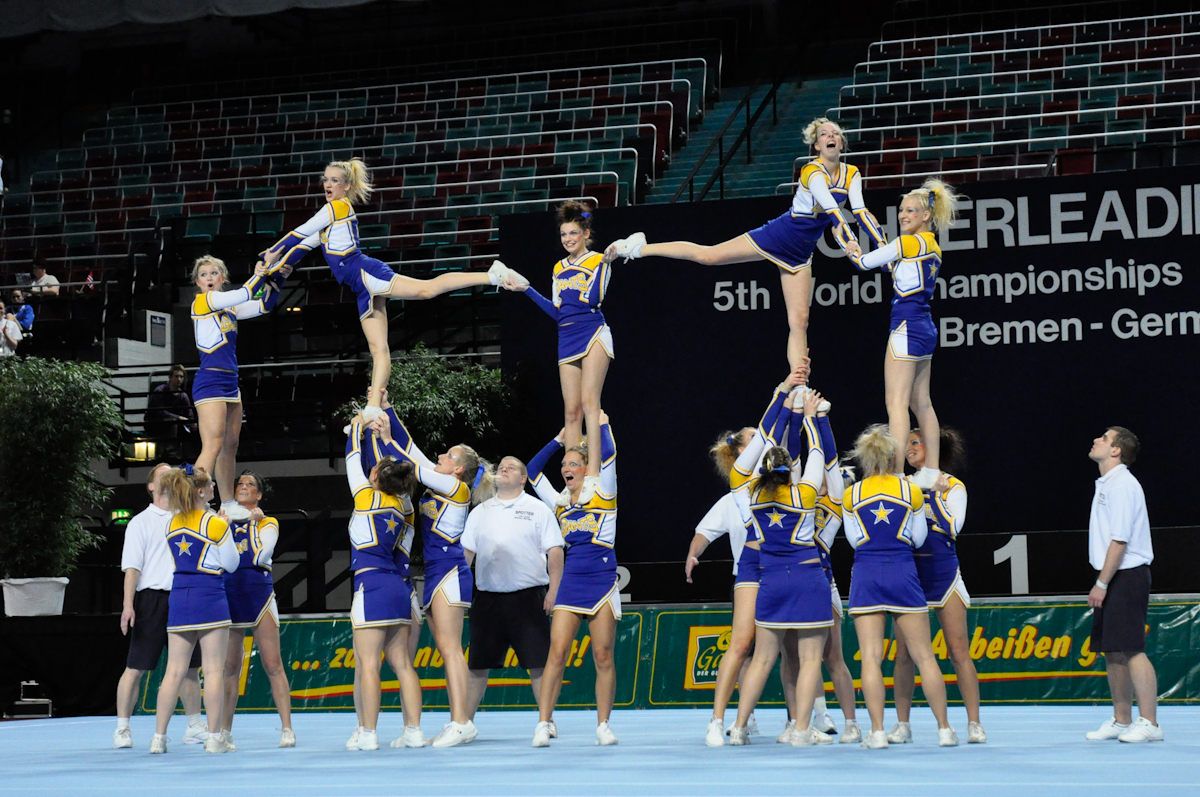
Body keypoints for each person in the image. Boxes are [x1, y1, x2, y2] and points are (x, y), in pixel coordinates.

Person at [604, 118, 886, 371]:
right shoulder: (811, 171)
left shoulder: (852, 174)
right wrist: (850, 241)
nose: (831, 136)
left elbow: (858, 214)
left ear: (841, 143)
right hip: (779, 235)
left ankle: (798, 386)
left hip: (801, 252)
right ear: (817, 145)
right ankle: (638, 247)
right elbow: (832, 209)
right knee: (709, 257)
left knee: (799, 322)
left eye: (836, 132)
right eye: (825, 133)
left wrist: (880, 247)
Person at [261, 158, 527, 418]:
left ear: (346, 186)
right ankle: (374, 407)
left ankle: (492, 275)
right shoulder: (328, 215)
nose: (327, 185)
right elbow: (301, 245)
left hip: (366, 272)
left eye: (334, 181)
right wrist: (276, 268)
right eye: (325, 180)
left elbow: (299, 231)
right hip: (361, 287)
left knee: (426, 290)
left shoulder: (338, 207)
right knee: (379, 349)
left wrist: (272, 252)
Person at [374, 395, 493, 748]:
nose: (441, 456)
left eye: (449, 456)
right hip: (438, 574)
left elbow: (414, 463)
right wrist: (389, 410)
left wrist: (384, 439)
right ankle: (458, 720)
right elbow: (413, 449)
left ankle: (461, 722)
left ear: (458, 469)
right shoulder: (445, 480)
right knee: (446, 648)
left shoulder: (456, 488)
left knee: (450, 648)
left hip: (452, 572)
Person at [725, 384, 832, 747]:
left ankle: (739, 728)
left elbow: (761, 445)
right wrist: (812, 417)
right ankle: (800, 730)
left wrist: (784, 404)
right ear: (790, 471)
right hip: (806, 578)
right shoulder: (804, 493)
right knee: (809, 658)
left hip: (769, 580)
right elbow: (816, 452)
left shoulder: (750, 492)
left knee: (761, 660)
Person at [840, 425, 957, 749]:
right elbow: (918, 539)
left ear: (865, 457)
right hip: (904, 572)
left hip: (866, 574)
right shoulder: (911, 491)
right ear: (893, 455)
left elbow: (854, 541)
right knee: (924, 657)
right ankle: (944, 729)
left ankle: (877, 732)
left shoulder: (852, 494)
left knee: (871, 659)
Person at [846, 178, 960, 490]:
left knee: (895, 402)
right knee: (921, 402)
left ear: (926, 215)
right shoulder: (932, 247)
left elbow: (865, 263)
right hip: (925, 327)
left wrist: (852, 249)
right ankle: (930, 471)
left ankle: (896, 474)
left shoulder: (908, 242)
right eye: (901, 210)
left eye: (911, 210)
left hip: (905, 327)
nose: (903, 215)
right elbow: (896, 269)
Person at [525, 411, 619, 747]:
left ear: (586, 469)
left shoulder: (603, 493)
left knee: (603, 655)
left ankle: (603, 724)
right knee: (557, 653)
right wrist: (558, 440)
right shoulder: (559, 502)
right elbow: (531, 471)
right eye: (564, 465)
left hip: (603, 581)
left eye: (573, 464)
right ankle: (543, 722)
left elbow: (608, 457)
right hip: (572, 584)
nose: (566, 469)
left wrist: (603, 426)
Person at [889, 428, 985, 744]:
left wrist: (934, 495)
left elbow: (952, 528)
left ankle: (974, 723)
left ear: (932, 447)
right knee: (904, 654)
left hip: (944, 576)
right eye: (907, 443)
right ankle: (902, 724)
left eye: (916, 441)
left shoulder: (954, 486)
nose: (909, 448)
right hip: (910, 579)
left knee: (959, 651)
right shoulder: (901, 484)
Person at [341, 414, 425, 751]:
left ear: (374, 475)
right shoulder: (403, 507)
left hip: (371, 584)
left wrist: (357, 427)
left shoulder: (364, 496)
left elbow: (350, 458)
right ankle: (414, 731)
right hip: (398, 587)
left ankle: (369, 732)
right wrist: (376, 436)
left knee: (368, 664)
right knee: (403, 664)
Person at [461, 456, 565, 724]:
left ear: (523, 479)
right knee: (476, 667)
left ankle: (546, 722)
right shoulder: (479, 512)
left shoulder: (538, 508)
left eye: (512, 467)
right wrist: (457, 596)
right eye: (501, 466)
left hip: (529, 599)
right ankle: (464, 724)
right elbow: (466, 558)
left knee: (539, 666)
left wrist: (554, 591)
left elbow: (555, 551)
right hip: (487, 601)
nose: (504, 469)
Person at [514, 200, 617, 458]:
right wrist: (527, 290)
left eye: (573, 233)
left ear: (586, 234)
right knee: (571, 412)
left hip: (593, 332)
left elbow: (593, 301)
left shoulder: (598, 260)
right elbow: (558, 313)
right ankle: (572, 469)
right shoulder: (558, 267)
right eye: (563, 234)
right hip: (567, 337)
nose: (568, 238)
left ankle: (593, 470)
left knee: (589, 404)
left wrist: (605, 264)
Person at [112, 463, 204, 750]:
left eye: (171, 472)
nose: (167, 476)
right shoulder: (140, 522)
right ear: (150, 486)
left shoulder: (188, 517)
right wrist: (128, 606)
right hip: (151, 599)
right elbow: (132, 568)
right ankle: (123, 728)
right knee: (135, 668)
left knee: (190, 668)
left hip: (184, 598)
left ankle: (193, 726)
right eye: (160, 474)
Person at [150, 464, 240, 754]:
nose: (215, 488)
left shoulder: (171, 523)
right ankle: (214, 738)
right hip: (209, 594)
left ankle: (158, 738)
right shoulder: (215, 523)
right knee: (213, 671)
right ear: (201, 491)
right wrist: (224, 527)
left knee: (173, 671)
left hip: (179, 596)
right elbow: (232, 564)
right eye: (212, 485)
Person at [190, 256, 287, 521]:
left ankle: (228, 502)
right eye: (203, 274)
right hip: (210, 380)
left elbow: (263, 306)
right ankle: (192, 501)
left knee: (230, 446)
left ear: (222, 278)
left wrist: (278, 278)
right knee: (212, 444)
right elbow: (246, 291)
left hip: (231, 381)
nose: (208, 277)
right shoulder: (203, 301)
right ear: (197, 282)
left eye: (214, 273)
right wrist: (260, 272)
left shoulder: (230, 308)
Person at [1084, 426, 1161, 743]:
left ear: (1116, 450)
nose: (1096, 440)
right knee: (1112, 651)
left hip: (1126, 575)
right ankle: (1121, 719)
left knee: (1131, 649)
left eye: (1103, 438)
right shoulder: (1107, 484)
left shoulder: (1124, 485)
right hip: (1112, 574)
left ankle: (1150, 723)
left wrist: (1102, 582)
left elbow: (1120, 539)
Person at [218, 471, 296, 749]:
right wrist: (224, 524)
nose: (243, 487)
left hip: (259, 595)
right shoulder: (222, 520)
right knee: (229, 668)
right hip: (229, 595)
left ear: (259, 495)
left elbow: (261, 554)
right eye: (239, 483)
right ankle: (224, 730)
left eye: (250, 484)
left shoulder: (268, 522)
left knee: (273, 665)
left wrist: (251, 523)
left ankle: (287, 728)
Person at [806, 407, 861, 743]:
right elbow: (812, 459)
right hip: (797, 581)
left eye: (836, 475)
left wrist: (820, 420)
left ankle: (852, 722)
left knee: (833, 657)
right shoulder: (802, 494)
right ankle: (818, 713)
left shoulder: (835, 504)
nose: (829, 475)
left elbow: (826, 456)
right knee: (802, 658)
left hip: (822, 582)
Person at [145, 364, 196, 439]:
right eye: (176, 376)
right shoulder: (160, 391)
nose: (179, 379)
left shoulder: (183, 395)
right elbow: (160, 412)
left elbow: (189, 413)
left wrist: (193, 423)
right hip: (155, 423)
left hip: (175, 423)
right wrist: (179, 418)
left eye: (181, 377)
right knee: (173, 422)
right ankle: (171, 449)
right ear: (170, 377)